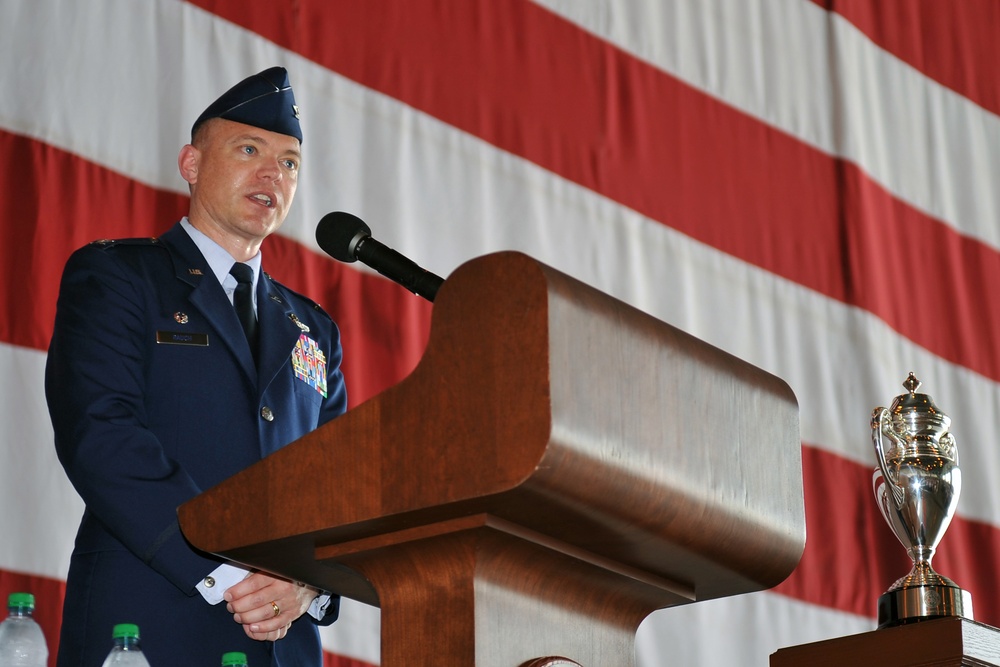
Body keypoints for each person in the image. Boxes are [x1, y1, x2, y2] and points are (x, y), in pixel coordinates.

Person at [45, 67, 348, 666]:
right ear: (191, 163)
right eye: (249, 149)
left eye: (289, 163)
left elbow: (339, 485)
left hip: (280, 642)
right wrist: (221, 569)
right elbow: (100, 433)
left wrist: (307, 585)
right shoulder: (119, 277)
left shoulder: (314, 329)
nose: (272, 174)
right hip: (149, 627)